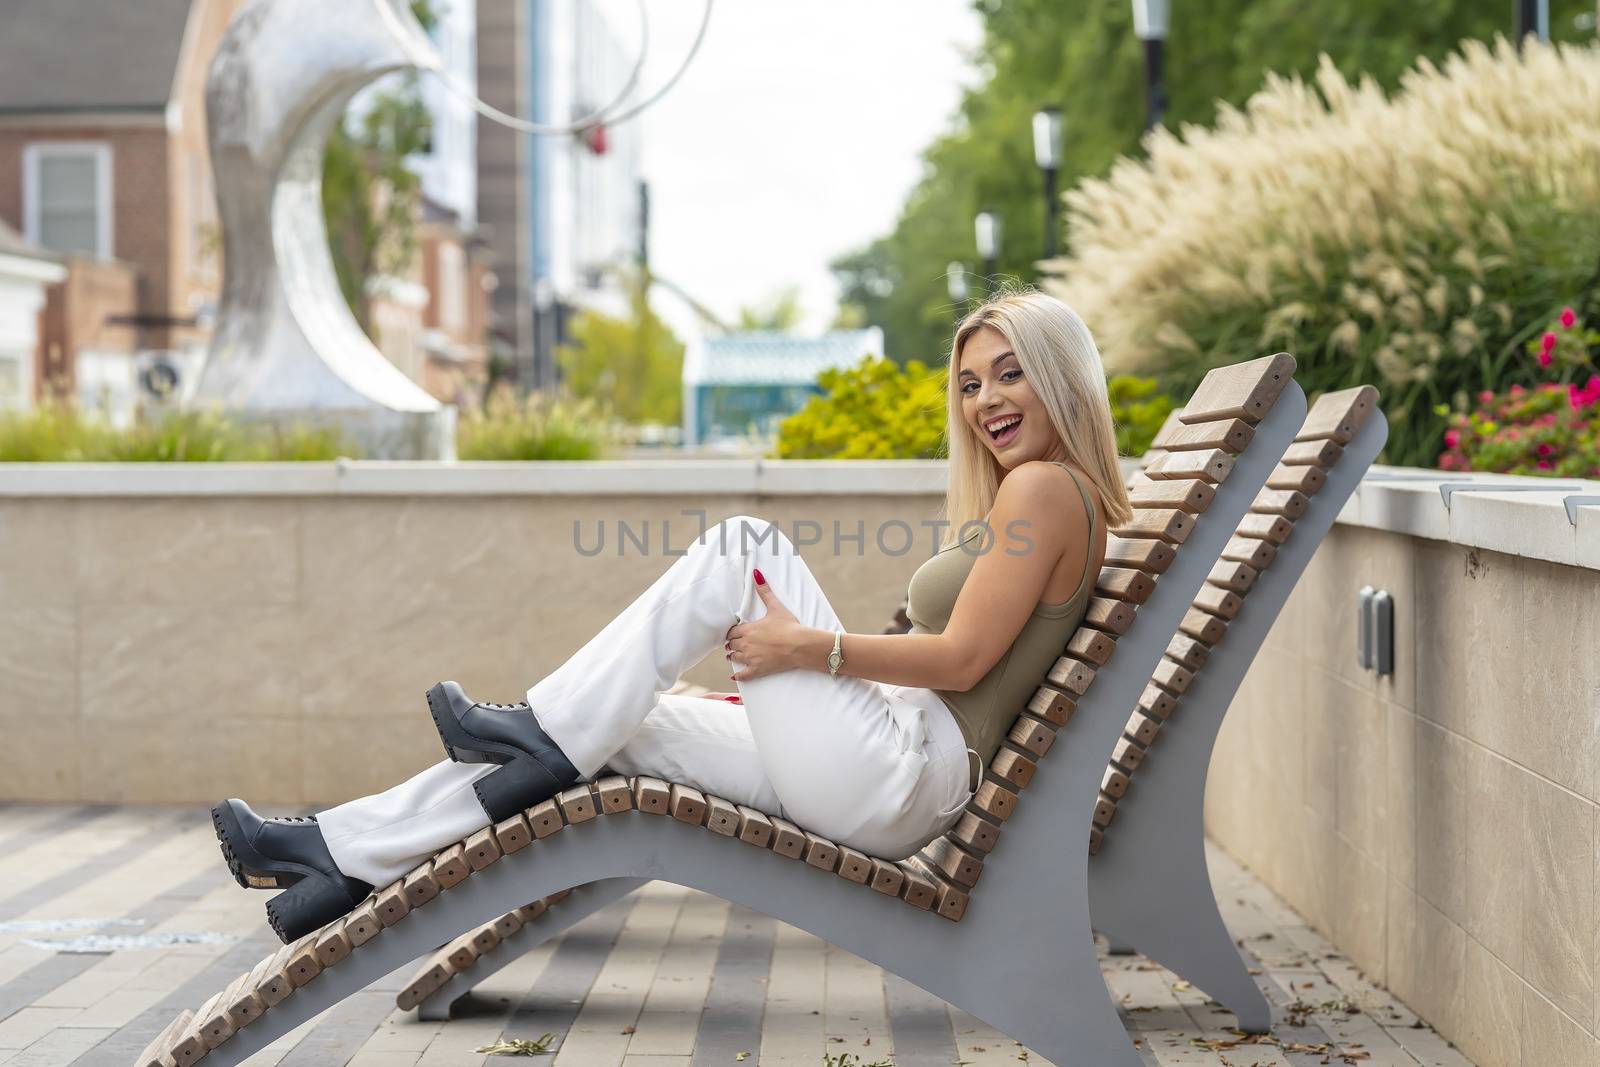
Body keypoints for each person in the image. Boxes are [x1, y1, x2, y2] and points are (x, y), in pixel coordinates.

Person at [209, 286, 1134, 943]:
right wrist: (784, 697)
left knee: (742, 547)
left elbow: (965, 660)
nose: (985, 403)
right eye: (970, 384)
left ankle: (542, 728)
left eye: (1009, 375)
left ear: (1060, 376)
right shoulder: (1048, 493)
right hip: (883, 758)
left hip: (897, 778)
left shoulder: (1045, 493)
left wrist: (807, 650)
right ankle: (336, 853)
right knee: (618, 726)